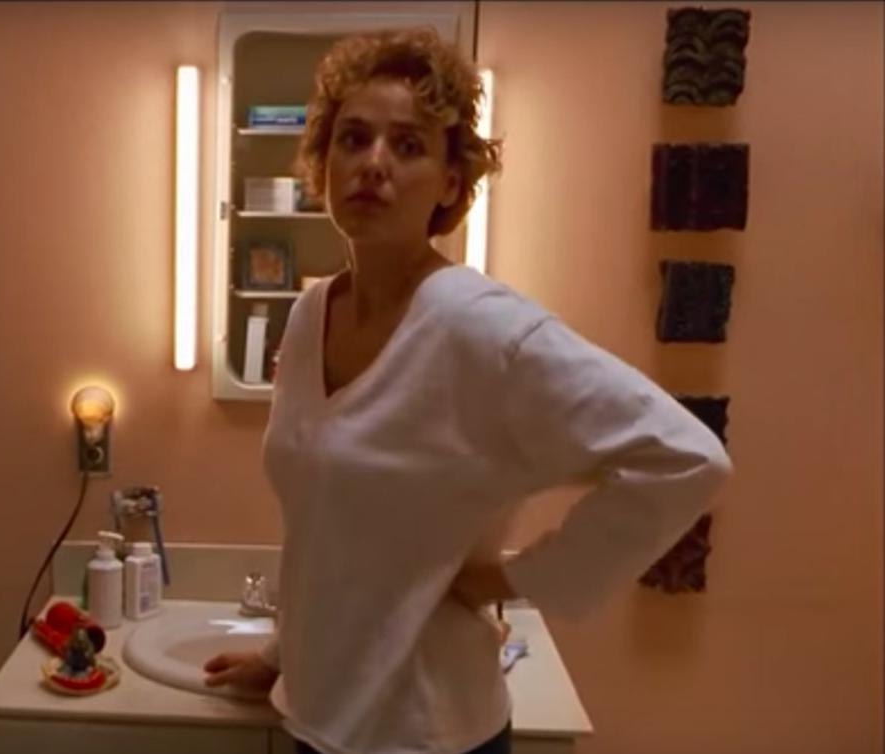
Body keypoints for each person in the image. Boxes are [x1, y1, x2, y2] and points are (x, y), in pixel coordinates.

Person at [202, 27, 732, 754]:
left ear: (451, 183)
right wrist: (280, 656)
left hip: (429, 733)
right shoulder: (308, 315)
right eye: (353, 139)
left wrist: (515, 577)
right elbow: (330, 537)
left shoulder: (478, 326)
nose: (373, 163)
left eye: (408, 145)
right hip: (318, 718)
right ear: (323, 162)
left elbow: (687, 457)